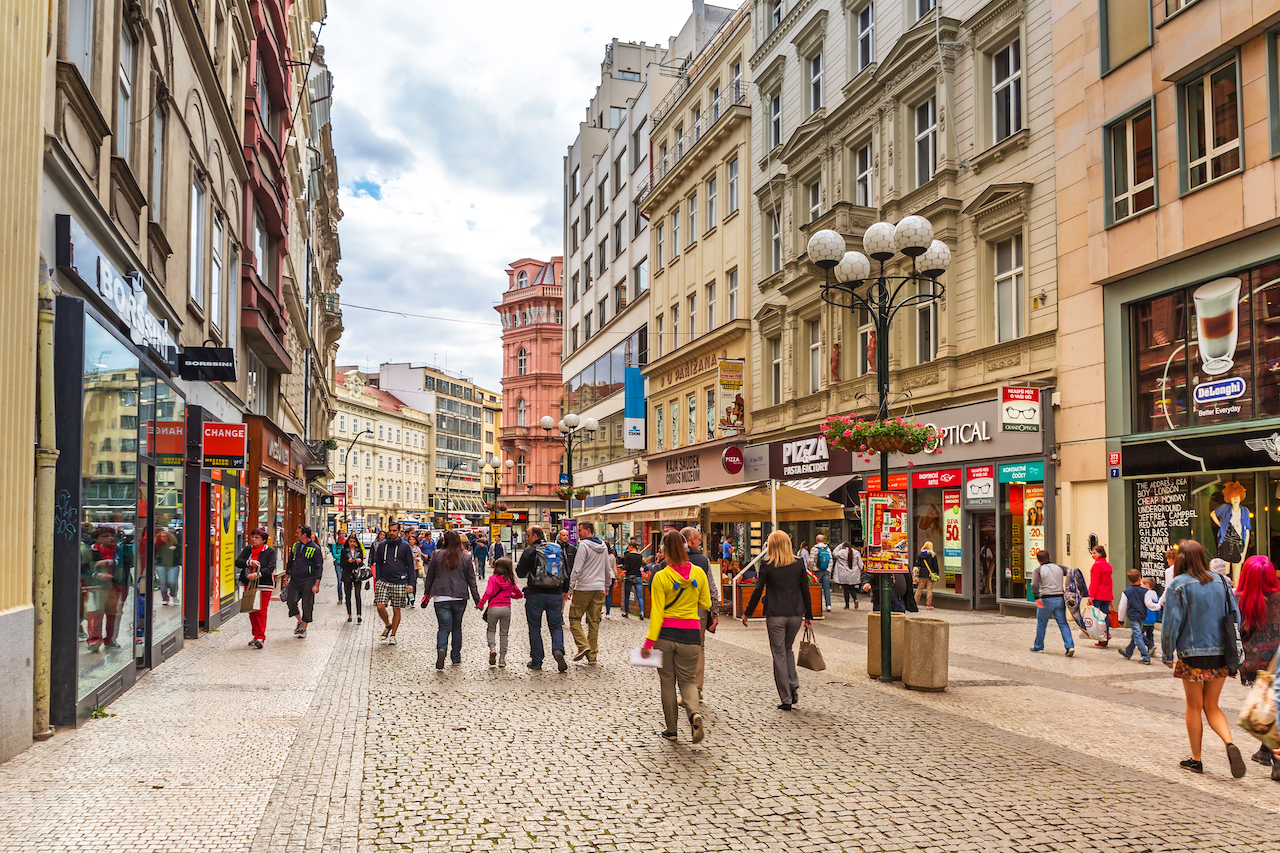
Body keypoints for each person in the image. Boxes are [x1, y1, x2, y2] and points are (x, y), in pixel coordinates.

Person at [1161, 539, 1247, 777]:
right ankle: (1229, 743)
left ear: (1181, 560)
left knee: (1193, 706)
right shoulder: (1221, 581)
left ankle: (1196, 759)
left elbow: (1170, 624)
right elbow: (1235, 617)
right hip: (1220, 654)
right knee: (1212, 705)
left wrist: (1167, 652)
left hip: (1192, 655)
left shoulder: (1178, 584)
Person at [640, 530, 710, 743]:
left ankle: (671, 730)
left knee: (667, 682)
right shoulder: (698, 573)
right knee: (688, 680)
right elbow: (706, 604)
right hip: (691, 635)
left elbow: (658, 613)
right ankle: (693, 714)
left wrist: (648, 643)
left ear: (663, 551)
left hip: (665, 636)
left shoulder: (660, 576)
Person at [742, 530, 814, 711]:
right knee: (787, 648)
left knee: (779, 653)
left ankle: (786, 697)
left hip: (775, 614)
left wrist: (747, 612)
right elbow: (806, 589)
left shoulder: (767, 564)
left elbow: (758, 589)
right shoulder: (798, 564)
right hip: (795, 614)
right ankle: (792, 681)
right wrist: (809, 615)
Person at [1235, 554, 1280, 778]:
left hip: (1251, 662)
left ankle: (1264, 751)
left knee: (1268, 702)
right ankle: (1276, 757)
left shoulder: (1238, 598)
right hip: (1276, 660)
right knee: (1274, 704)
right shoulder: (1279, 597)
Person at [421, 529, 481, 669]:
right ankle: (456, 656)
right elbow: (472, 580)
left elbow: (430, 577)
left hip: (441, 597)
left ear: (444, 541)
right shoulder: (466, 557)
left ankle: (442, 649)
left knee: (443, 627)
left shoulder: (437, 554)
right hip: (460, 596)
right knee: (456, 627)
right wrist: (477, 600)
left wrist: (427, 594)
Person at [516, 525, 569, 671]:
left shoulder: (530, 551)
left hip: (535, 594)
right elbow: (567, 571)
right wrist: (564, 590)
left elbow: (520, 573)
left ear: (535, 536)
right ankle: (558, 650)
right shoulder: (556, 550)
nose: (526, 538)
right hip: (556, 594)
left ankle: (537, 661)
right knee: (556, 626)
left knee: (534, 627)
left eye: (528, 535)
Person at [567, 522, 611, 664]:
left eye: (580, 530)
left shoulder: (584, 545)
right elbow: (607, 568)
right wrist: (607, 585)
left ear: (588, 531)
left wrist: (570, 587)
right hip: (598, 588)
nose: (578, 533)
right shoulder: (603, 546)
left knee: (574, 618)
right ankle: (592, 656)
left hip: (584, 587)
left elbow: (577, 568)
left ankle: (583, 646)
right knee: (594, 622)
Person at [372, 523, 416, 646]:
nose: (391, 533)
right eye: (390, 530)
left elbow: (410, 566)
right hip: (384, 580)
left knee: (396, 609)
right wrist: (378, 578)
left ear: (398, 531)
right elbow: (378, 562)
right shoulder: (382, 546)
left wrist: (411, 583)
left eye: (394, 531)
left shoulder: (405, 546)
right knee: (380, 606)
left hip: (399, 581)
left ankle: (393, 635)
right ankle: (388, 625)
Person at [478, 556, 523, 668]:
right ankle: (502, 659)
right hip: (506, 609)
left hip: (493, 608)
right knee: (504, 634)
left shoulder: (492, 579)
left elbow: (488, 593)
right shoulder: (510, 581)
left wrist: (481, 603)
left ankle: (492, 649)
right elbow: (519, 594)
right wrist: (510, 595)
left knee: (491, 630)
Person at [236, 527, 277, 649]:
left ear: (263, 540)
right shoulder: (248, 549)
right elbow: (238, 562)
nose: (253, 539)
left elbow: (271, 567)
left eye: (257, 537)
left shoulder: (269, 551)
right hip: (249, 583)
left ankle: (260, 637)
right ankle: (255, 635)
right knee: (252, 610)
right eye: (252, 537)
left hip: (264, 584)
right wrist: (249, 563)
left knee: (261, 610)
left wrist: (257, 574)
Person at [1030, 550, 1075, 657]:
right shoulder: (1059, 567)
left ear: (1038, 560)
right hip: (1060, 599)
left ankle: (1039, 646)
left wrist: (1037, 598)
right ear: (1049, 558)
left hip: (1046, 600)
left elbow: (1033, 585)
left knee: (1042, 624)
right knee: (1063, 624)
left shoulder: (1038, 570)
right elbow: (1071, 572)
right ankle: (1070, 646)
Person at [285, 526, 323, 638]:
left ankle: (304, 628)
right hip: (295, 579)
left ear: (304, 535)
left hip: (309, 580)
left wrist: (316, 585)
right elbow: (290, 562)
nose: (296, 534)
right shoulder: (295, 546)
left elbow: (319, 568)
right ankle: (300, 621)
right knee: (290, 601)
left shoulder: (315, 549)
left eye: (298, 533)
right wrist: (286, 578)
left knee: (307, 604)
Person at [1117, 568, 1151, 664]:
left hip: (1133, 616)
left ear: (1129, 580)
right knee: (1136, 634)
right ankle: (1128, 652)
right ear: (1140, 578)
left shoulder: (1127, 592)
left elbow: (1122, 606)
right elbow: (1148, 603)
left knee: (1137, 635)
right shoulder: (1145, 591)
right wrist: (1157, 607)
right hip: (1142, 615)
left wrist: (1121, 619)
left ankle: (1146, 656)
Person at [1085, 545, 1114, 647]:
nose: (1093, 555)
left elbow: (1095, 581)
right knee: (1104, 615)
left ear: (1100, 553)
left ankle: (1102, 636)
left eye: (1095, 553)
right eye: (1092, 553)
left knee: (1097, 616)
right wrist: (1111, 596)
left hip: (1098, 593)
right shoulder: (1107, 565)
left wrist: (1091, 595)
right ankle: (1106, 634)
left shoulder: (1096, 565)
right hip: (1106, 594)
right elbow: (1110, 582)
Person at [339, 534, 366, 623]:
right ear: (348, 542)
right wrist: (348, 561)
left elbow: (362, 564)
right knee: (348, 595)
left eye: (354, 541)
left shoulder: (359, 550)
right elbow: (342, 564)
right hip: (347, 574)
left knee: (357, 594)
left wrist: (360, 561)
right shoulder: (344, 551)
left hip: (357, 574)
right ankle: (349, 614)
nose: (352, 543)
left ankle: (359, 614)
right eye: (351, 541)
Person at [154, 529, 181, 606]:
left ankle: (173, 594)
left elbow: (179, 555)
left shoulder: (174, 545)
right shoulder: (157, 545)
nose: (163, 538)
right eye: (162, 536)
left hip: (173, 566)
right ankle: (165, 598)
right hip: (160, 566)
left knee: (172, 581)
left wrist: (174, 550)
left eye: (165, 536)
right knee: (163, 582)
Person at [832, 541, 861, 609]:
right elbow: (860, 564)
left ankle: (847, 605)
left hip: (844, 574)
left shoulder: (841, 552)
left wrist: (840, 545)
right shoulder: (856, 552)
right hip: (854, 574)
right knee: (852, 588)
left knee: (846, 589)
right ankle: (855, 599)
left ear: (844, 546)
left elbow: (834, 552)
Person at [622, 539, 646, 618]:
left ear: (631, 546)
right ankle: (642, 612)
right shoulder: (640, 556)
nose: (627, 548)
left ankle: (626, 612)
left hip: (629, 576)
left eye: (628, 546)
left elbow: (626, 567)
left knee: (627, 595)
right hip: (638, 576)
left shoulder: (628, 555)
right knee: (639, 595)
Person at [809, 535, 833, 612]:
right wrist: (829, 570)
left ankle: (815, 605)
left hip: (816, 571)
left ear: (816, 540)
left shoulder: (814, 549)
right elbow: (831, 561)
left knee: (815, 587)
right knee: (826, 588)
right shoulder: (828, 549)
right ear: (824, 540)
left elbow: (811, 561)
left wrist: (810, 570)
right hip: (826, 571)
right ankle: (828, 605)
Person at [914, 541, 940, 610]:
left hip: (922, 574)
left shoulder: (920, 555)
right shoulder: (933, 555)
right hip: (929, 574)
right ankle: (928, 604)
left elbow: (917, 565)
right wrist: (936, 573)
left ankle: (915, 603)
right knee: (929, 589)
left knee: (919, 589)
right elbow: (935, 566)